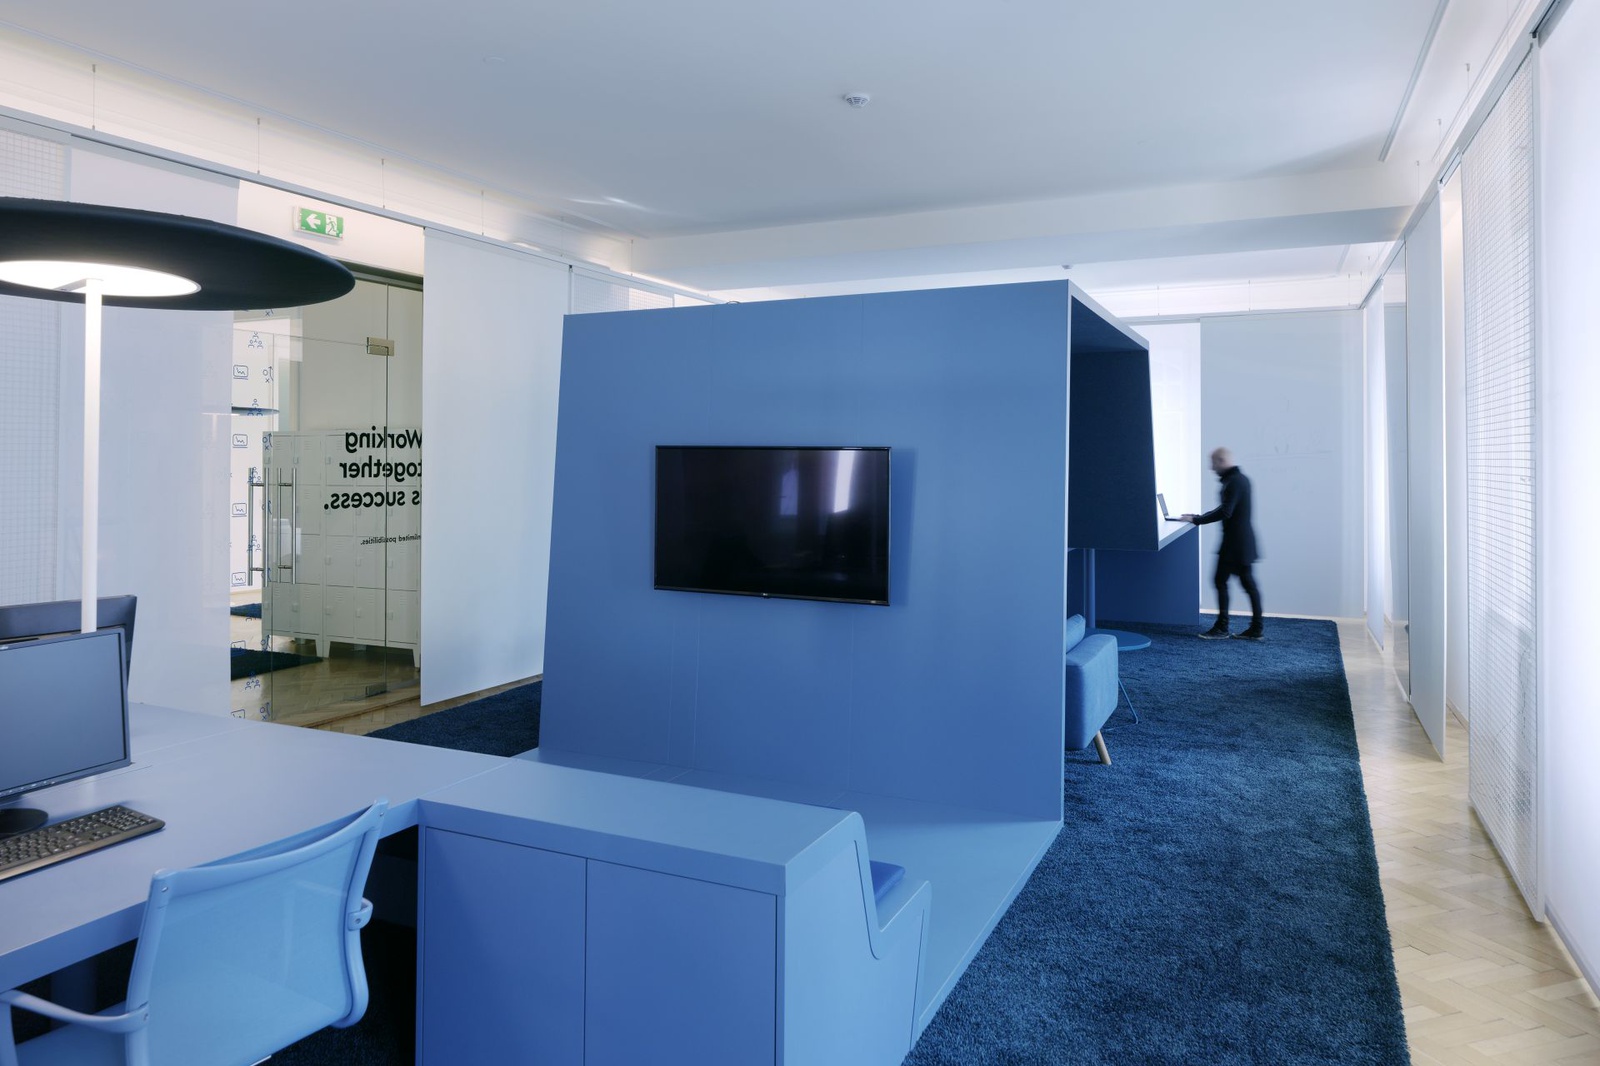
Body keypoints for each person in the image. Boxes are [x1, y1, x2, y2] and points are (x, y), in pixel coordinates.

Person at [1181, 447, 1262, 640]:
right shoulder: (1240, 479)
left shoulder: (1234, 482)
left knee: (1222, 581)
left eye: (1213, 463)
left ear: (1221, 461)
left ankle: (1222, 628)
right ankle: (1255, 629)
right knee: (1246, 584)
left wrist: (1197, 520)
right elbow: (1225, 507)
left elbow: (1226, 511)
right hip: (1242, 542)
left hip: (1235, 545)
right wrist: (1198, 517)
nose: (1211, 468)